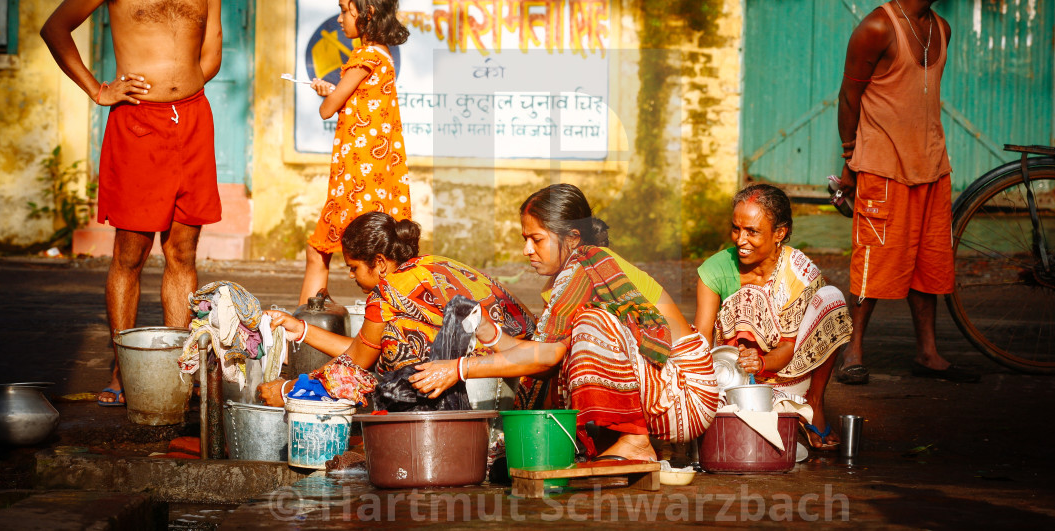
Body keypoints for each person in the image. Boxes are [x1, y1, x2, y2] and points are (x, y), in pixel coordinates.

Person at [39, 0, 231, 407]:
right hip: (137, 125)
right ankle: (124, 366)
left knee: (183, 250)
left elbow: (213, 50)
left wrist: (187, 84)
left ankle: (175, 366)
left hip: (192, 123)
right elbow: (56, 27)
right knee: (130, 251)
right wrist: (98, 90)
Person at [410, 184, 718, 462]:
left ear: (572, 237)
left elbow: (547, 356)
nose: (527, 250)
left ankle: (634, 441)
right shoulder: (569, 276)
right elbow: (541, 355)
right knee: (568, 343)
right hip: (665, 391)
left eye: (537, 239)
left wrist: (458, 369)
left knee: (592, 322)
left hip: (686, 396)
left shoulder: (586, 266)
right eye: (525, 239)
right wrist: (486, 330)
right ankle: (618, 440)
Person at [834, 0, 978, 385]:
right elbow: (848, 97)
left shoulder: (942, 29)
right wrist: (849, 159)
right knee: (873, 263)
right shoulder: (877, 27)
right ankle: (853, 353)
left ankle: (928, 354)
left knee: (929, 264)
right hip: (882, 167)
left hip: (933, 167)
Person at [260, 211, 536, 405]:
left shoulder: (386, 293)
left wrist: (291, 390)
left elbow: (354, 364)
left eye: (354, 267)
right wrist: (300, 329)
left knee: (396, 339)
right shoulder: (431, 264)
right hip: (532, 370)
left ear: (379, 262)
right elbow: (362, 349)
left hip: (495, 382)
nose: (351, 276)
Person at [693, 184, 851, 450]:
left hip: (789, 376)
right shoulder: (715, 270)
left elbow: (788, 348)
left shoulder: (798, 272)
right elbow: (701, 339)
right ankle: (779, 412)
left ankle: (813, 403)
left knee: (832, 299)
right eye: (736, 228)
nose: (740, 240)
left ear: (780, 233)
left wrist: (762, 362)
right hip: (732, 380)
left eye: (752, 231)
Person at [298, 0, 412, 305]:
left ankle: (305, 329)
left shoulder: (364, 58)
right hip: (376, 178)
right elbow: (356, 100)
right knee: (382, 258)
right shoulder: (382, 55)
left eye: (345, 11)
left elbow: (327, 109)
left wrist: (328, 95)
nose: (340, 19)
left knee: (318, 250)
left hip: (357, 180)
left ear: (368, 13)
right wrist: (333, 91)